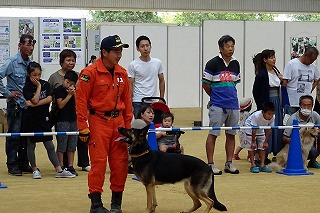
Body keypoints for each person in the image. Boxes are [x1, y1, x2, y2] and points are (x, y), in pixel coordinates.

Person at [76, 35, 132, 213]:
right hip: (98, 122)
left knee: (120, 164)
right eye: (116, 51)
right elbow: (81, 101)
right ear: (104, 52)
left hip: (119, 123)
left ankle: (116, 204)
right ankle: (96, 204)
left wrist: (128, 130)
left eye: (121, 51)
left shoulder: (122, 73)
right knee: (98, 164)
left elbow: (128, 103)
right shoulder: (89, 73)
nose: (119, 54)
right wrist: (82, 127)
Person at [22, 62, 75, 179]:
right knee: (31, 145)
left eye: (39, 75)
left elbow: (49, 99)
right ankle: (34, 169)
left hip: (44, 119)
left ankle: (59, 170)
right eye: (34, 75)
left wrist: (34, 104)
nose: (37, 78)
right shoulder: (27, 87)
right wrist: (38, 88)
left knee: (49, 145)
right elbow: (35, 99)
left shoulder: (46, 84)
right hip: (30, 119)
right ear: (28, 74)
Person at [202, 35, 241, 175]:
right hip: (217, 105)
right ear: (220, 48)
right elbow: (205, 84)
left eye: (232, 46)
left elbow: (234, 84)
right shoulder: (212, 63)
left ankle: (229, 163)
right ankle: (210, 164)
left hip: (233, 105)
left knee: (231, 134)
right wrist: (215, 97)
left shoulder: (236, 64)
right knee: (213, 134)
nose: (230, 49)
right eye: (227, 46)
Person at [48, 49, 91, 172]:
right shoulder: (54, 77)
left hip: (76, 114)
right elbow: (51, 95)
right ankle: (62, 166)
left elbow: (83, 94)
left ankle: (82, 163)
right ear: (61, 62)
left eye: (73, 60)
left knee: (80, 139)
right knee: (62, 141)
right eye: (68, 60)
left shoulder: (79, 76)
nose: (70, 62)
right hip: (60, 115)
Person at [0, 34, 36, 175]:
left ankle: (23, 162)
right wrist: (8, 93)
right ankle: (12, 163)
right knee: (14, 135)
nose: (31, 47)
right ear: (20, 45)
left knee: (25, 136)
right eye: (28, 44)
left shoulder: (30, 63)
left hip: (27, 104)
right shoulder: (12, 61)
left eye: (32, 44)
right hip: (15, 105)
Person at [252, 49, 284, 162]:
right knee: (265, 128)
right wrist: (262, 106)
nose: (274, 59)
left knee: (275, 127)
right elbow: (255, 91)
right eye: (271, 57)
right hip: (268, 102)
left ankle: (274, 151)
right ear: (265, 60)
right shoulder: (261, 74)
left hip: (277, 101)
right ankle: (262, 155)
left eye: (274, 57)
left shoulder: (276, 71)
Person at [128, 35, 165, 118]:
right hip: (138, 101)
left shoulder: (157, 62)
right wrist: (130, 103)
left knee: (153, 126)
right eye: (142, 46)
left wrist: (161, 99)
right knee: (140, 126)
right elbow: (130, 84)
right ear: (138, 49)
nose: (145, 48)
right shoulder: (133, 65)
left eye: (147, 45)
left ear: (151, 46)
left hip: (153, 100)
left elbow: (162, 80)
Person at [283, 95, 320, 168]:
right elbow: (284, 138)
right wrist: (296, 141)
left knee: (314, 149)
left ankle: (313, 161)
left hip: (310, 143)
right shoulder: (292, 118)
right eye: (304, 105)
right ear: (300, 105)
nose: (306, 108)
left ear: (312, 106)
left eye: (309, 105)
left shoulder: (315, 115)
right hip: (297, 145)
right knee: (311, 151)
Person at [282, 47, 319, 115]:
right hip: (292, 101)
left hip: (306, 102)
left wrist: (311, 88)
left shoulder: (313, 66)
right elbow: (284, 82)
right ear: (305, 55)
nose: (312, 62)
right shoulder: (292, 64)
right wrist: (285, 100)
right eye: (311, 60)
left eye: (314, 60)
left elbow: (317, 79)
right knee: (291, 122)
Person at [55, 70, 79, 176]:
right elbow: (60, 105)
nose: (69, 85)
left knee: (72, 145)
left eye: (72, 83)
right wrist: (69, 95)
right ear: (63, 80)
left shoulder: (76, 91)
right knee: (62, 144)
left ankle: (70, 165)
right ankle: (61, 165)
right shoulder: (59, 90)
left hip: (73, 119)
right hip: (62, 120)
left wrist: (74, 94)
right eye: (67, 82)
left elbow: (78, 104)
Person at [240, 102, 275, 173]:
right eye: (269, 114)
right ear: (263, 112)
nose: (271, 116)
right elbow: (254, 129)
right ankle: (253, 165)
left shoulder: (273, 117)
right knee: (251, 147)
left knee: (263, 147)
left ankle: (262, 165)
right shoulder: (256, 116)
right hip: (250, 128)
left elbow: (269, 129)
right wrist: (253, 142)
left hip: (260, 129)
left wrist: (265, 141)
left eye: (272, 114)